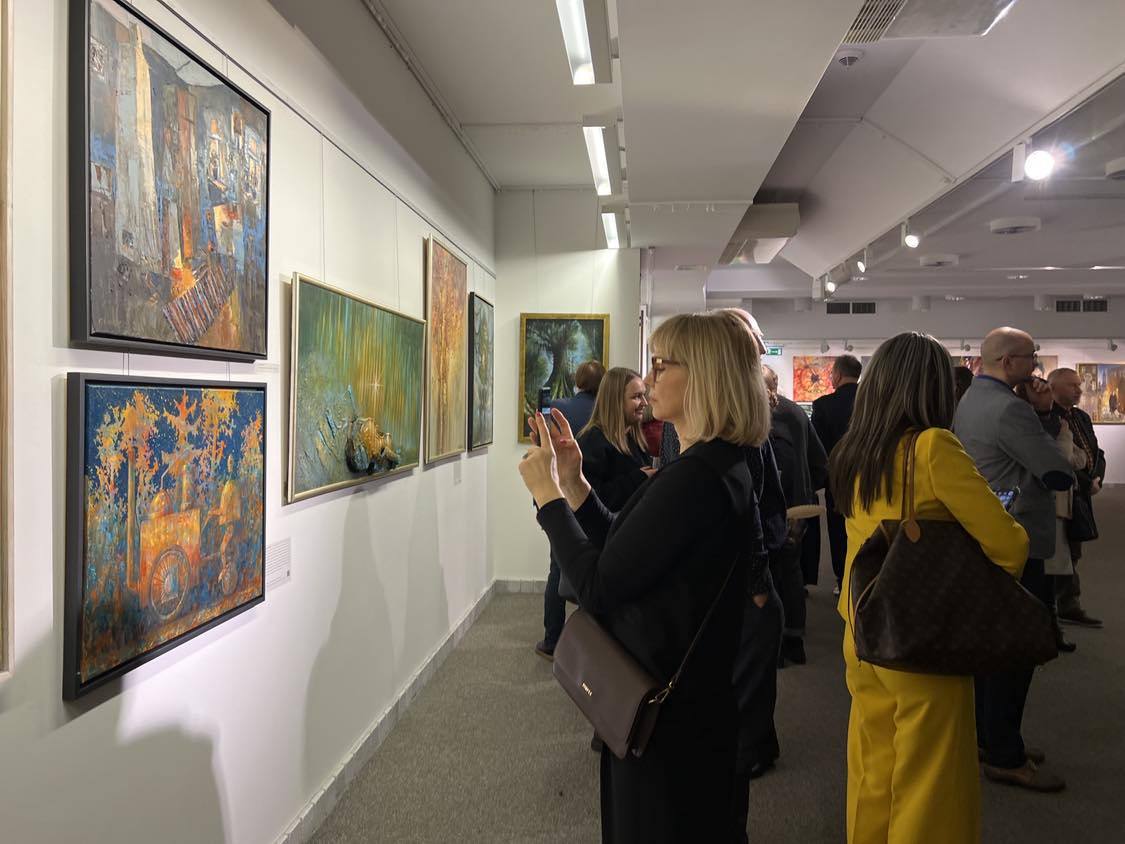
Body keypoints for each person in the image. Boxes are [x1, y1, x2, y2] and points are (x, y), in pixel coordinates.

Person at [518, 310, 772, 842]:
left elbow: (599, 587)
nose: (649, 378)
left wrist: (547, 497)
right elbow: (627, 545)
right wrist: (575, 484)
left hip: (666, 717)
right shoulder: (713, 464)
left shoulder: (697, 478)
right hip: (687, 702)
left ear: (703, 375)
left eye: (661, 364)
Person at [833, 331, 1029, 844]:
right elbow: (1009, 545)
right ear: (936, 387)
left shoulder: (855, 451)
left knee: (872, 767)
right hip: (920, 634)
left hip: (862, 625)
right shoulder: (933, 447)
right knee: (928, 782)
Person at [954, 327, 1073, 792]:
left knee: (993, 646)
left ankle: (990, 738)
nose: (1036, 363)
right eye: (1030, 356)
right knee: (1016, 650)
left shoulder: (972, 400)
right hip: (1018, 540)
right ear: (1008, 362)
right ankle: (1005, 753)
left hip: (988, 537)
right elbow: (1058, 472)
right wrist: (1046, 416)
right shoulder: (1011, 409)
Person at [536, 360, 606, 659]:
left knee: (558, 567)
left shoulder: (557, 408)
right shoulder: (606, 411)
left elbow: (544, 451)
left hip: (559, 497)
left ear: (578, 381)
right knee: (596, 568)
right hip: (596, 500)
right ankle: (592, 646)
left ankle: (553, 639)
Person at [763, 365, 828, 666]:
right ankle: (793, 640)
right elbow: (819, 461)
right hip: (797, 505)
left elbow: (778, 469)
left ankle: (778, 645)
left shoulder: (764, 416)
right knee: (790, 570)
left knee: (772, 574)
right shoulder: (797, 413)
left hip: (778, 509)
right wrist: (807, 491)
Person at [1049, 367, 1104, 628]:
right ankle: (1065, 604)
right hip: (1062, 493)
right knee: (1063, 550)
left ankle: (1066, 603)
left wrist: (1097, 478)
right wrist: (1085, 482)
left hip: (1082, 493)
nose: (1079, 390)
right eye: (1072, 385)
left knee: (1074, 547)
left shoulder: (1081, 416)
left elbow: (1097, 452)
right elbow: (1060, 461)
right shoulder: (1049, 417)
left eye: (1079, 385)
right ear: (1053, 387)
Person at [812, 354, 862, 594]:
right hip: (869, 474)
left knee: (838, 530)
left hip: (837, 478)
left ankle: (843, 581)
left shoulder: (823, 405)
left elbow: (818, 448)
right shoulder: (872, 400)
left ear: (838, 375)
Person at [577, 367, 655, 510]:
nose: (645, 402)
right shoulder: (592, 441)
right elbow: (590, 500)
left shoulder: (634, 437)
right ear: (615, 401)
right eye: (637, 397)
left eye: (644, 395)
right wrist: (638, 479)